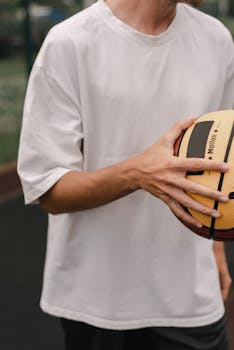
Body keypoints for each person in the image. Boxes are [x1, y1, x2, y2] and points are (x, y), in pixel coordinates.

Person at [17, 0, 234, 349]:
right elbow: (50, 191)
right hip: (96, 300)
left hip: (190, 297)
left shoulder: (217, 39)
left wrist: (216, 248)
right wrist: (137, 173)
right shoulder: (70, 43)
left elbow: (223, 162)